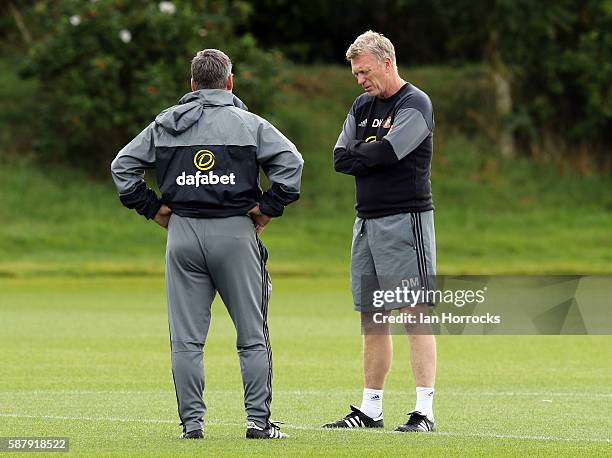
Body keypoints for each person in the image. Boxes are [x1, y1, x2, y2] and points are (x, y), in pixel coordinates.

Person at [110, 49, 303, 440]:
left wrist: (153, 209)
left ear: (192, 84)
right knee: (252, 335)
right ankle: (258, 423)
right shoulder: (249, 124)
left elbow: (122, 167)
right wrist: (268, 208)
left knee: (186, 339)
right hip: (234, 232)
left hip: (182, 234)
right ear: (230, 82)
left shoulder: (165, 124)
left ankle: (192, 425)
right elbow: (292, 164)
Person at [323, 31, 437, 432]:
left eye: (365, 71)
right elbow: (339, 158)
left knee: (414, 313)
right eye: (355, 73)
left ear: (387, 63)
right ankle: (371, 410)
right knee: (372, 316)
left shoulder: (415, 103)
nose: (360, 79)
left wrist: (367, 154)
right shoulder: (361, 105)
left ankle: (424, 411)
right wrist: (369, 154)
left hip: (405, 221)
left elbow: (391, 151)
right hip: (365, 222)